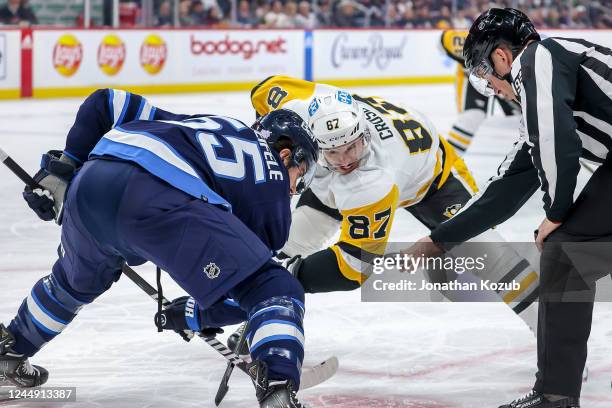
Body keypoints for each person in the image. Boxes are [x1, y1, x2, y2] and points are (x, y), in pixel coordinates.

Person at [0, 88, 318, 408]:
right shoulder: (273, 187)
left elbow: (105, 103)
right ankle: (278, 387)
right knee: (277, 287)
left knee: (71, 285)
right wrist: (192, 314)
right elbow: (247, 297)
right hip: (158, 200)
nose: (294, 189)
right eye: (300, 175)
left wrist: (65, 167)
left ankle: (10, 353)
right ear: (287, 154)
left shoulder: (207, 124)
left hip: (91, 182)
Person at [406, 8, 612, 408]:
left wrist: (555, 214)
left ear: (501, 58)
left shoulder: (539, 59)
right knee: (569, 252)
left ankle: (555, 396)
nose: (496, 91)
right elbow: (504, 191)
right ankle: (556, 393)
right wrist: (439, 238)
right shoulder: (550, 75)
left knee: (566, 251)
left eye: (487, 78)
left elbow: (557, 145)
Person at [247, 75, 540, 331]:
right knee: (285, 245)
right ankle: (264, 320)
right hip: (337, 174)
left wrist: (291, 275)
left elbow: (352, 269)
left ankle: (555, 340)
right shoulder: (294, 103)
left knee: (492, 255)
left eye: (353, 146)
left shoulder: (373, 181)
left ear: (364, 133)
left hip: (433, 181)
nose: (346, 160)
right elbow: (264, 90)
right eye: (334, 151)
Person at [440, 29, 520, 155]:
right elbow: (444, 40)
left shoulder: (518, 55)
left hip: (503, 76)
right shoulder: (461, 41)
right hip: (473, 78)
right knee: (472, 116)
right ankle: (448, 161)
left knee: (524, 114)